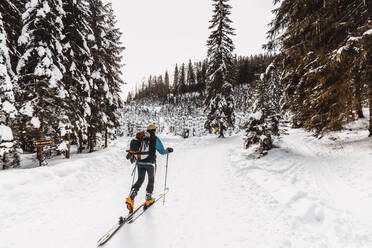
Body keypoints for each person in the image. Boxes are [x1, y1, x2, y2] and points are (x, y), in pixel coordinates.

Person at [126, 124, 173, 212]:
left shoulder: (141, 137)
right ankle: (148, 198)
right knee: (151, 180)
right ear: (154, 130)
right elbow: (162, 151)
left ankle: (131, 197)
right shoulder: (155, 138)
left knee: (140, 180)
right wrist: (168, 150)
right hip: (150, 163)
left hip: (140, 162)